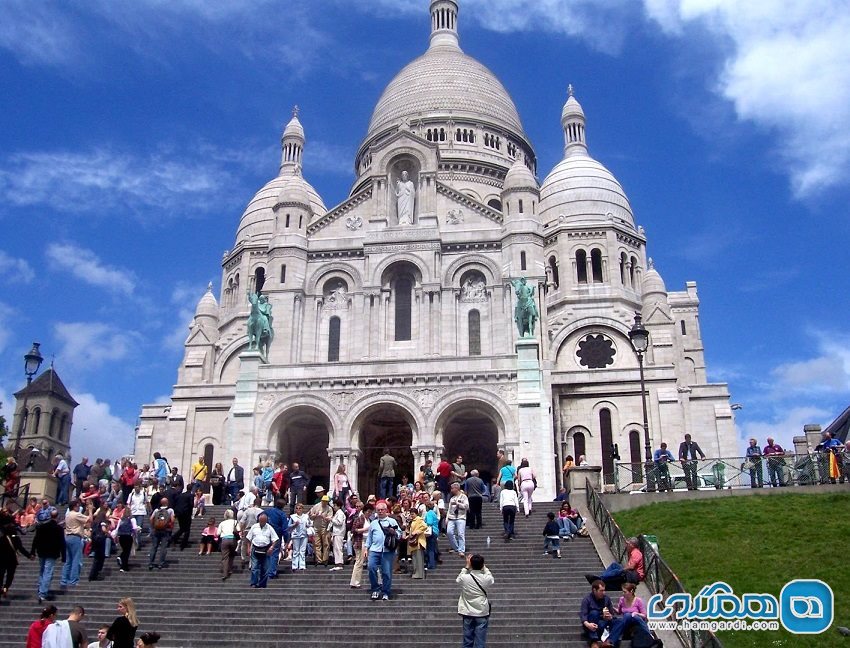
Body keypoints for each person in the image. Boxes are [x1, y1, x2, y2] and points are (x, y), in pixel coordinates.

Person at [364, 500, 400, 600]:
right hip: (374, 549)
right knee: (371, 568)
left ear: (386, 510)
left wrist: (394, 532)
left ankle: (386, 592)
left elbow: (400, 533)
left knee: (386, 572)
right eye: (378, 510)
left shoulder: (392, 521)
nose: (380, 511)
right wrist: (366, 549)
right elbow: (369, 537)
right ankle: (375, 589)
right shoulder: (374, 523)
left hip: (387, 550)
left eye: (382, 510)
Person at [457, 553, 494, 648]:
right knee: (480, 641)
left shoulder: (465, 578)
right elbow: (490, 577)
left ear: (471, 564)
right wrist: (484, 567)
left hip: (467, 611)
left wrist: (466, 566)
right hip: (481, 611)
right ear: (482, 565)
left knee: (467, 640)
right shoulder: (486, 578)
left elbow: (458, 579)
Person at [610, 582, 662, 647]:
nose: (623, 594)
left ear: (631, 591)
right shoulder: (622, 600)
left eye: (625, 592)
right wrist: (612, 607)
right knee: (627, 615)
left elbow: (644, 616)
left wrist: (636, 613)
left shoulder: (638, 601)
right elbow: (619, 612)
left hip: (636, 623)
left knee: (633, 616)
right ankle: (612, 639)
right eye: (622, 592)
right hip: (626, 623)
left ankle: (649, 634)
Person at [31, 508, 65, 602]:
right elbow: (62, 542)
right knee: (48, 572)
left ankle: (41, 588)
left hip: (41, 551)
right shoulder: (59, 528)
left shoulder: (42, 526)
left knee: (42, 570)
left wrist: (32, 551)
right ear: (57, 517)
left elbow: (36, 539)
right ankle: (43, 592)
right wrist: (64, 556)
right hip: (52, 553)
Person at [0, 513, 33, 600]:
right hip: (11, 558)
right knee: (10, 576)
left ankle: (1, 588)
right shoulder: (13, 533)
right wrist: (29, 555)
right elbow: (19, 547)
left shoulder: (2, 534)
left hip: (2, 558)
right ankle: (5, 588)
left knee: (1, 574)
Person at [60, 500, 91, 589]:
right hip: (75, 537)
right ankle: (73, 581)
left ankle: (64, 580)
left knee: (68, 561)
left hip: (68, 537)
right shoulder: (76, 514)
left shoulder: (68, 515)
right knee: (76, 560)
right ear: (74, 506)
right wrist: (90, 510)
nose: (79, 507)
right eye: (77, 506)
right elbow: (90, 519)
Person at [246, 512, 278, 588]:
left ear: (266, 521)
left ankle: (262, 584)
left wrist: (271, 547)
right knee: (254, 567)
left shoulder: (269, 527)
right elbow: (248, 538)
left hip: (266, 549)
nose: (262, 523)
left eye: (264, 521)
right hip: (255, 548)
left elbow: (275, 539)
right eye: (261, 521)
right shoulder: (254, 527)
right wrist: (248, 548)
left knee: (265, 568)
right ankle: (254, 583)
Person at [580, 580, 616, 647]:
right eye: (601, 591)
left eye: (604, 590)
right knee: (594, 613)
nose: (604, 593)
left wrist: (608, 616)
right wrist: (588, 624)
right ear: (594, 590)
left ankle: (607, 640)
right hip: (590, 625)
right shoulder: (587, 599)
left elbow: (612, 614)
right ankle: (594, 641)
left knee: (617, 621)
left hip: (602, 623)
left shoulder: (606, 599)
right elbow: (583, 615)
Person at [262, 498, 290, 580]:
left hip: (266, 535)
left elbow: (259, 516)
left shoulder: (267, 511)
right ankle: (271, 573)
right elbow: (285, 529)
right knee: (274, 554)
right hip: (276, 536)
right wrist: (286, 540)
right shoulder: (282, 515)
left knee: (266, 553)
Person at [349, 502, 372, 588]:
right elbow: (354, 530)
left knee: (373, 562)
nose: (369, 514)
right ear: (365, 511)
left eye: (371, 512)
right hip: (360, 541)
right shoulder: (359, 519)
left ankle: (378, 581)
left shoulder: (369, 520)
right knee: (359, 561)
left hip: (368, 542)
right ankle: (355, 582)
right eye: (368, 512)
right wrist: (364, 529)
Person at [148, 497, 174, 570]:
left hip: (156, 530)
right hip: (165, 530)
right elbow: (172, 520)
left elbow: (151, 519)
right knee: (163, 547)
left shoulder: (157, 510)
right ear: (167, 503)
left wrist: (153, 527)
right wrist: (170, 528)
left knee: (154, 547)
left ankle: (151, 563)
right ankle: (161, 563)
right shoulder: (170, 510)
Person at [308, 494, 333, 567]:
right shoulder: (316, 506)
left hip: (325, 528)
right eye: (324, 501)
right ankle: (319, 559)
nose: (325, 503)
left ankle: (325, 559)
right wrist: (315, 515)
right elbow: (310, 516)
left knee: (326, 544)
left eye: (326, 501)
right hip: (316, 527)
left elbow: (330, 518)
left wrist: (323, 516)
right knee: (316, 544)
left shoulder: (329, 508)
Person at [447, 482, 469, 557]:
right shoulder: (452, 498)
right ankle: (456, 547)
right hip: (452, 517)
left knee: (460, 533)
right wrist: (447, 518)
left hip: (461, 517)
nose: (451, 490)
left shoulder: (464, 497)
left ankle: (461, 550)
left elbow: (467, 506)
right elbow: (449, 509)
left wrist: (458, 504)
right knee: (449, 532)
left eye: (452, 488)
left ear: (457, 488)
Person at [288, 502, 311, 571]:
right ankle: (294, 565)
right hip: (295, 535)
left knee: (302, 550)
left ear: (302, 509)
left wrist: (307, 525)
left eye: (300, 508)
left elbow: (309, 524)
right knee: (296, 551)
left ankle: (302, 565)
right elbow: (289, 526)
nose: (298, 509)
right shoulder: (293, 516)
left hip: (304, 535)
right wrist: (294, 524)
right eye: (297, 508)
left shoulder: (306, 516)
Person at [407, 507, 428, 579]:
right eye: (411, 514)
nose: (411, 515)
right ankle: (416, 573)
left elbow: (425, 526)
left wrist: (417, 532)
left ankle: (420, 574)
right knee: (415, 558)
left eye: (413, 514)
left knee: (418, 558)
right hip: (413, 541)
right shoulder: (412, 521)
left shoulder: (419, 519)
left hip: (418, 541)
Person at [217, 509, 238, 580]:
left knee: (225, 557)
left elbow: (218, 533)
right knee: (232, 555)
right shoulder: (235, 522)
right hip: (233, 540)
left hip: (224, 540)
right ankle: (230, 568)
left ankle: (225, 573)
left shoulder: (222, 523)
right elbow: (239, 530)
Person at [329, 499, 346, 571]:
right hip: (336, 533)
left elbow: (339, 523)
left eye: (335, 505)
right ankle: (337, 563)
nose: (334, 506)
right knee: (335, 548)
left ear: (338, 506)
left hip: (339, 533)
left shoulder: (340, 513)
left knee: (338, 548)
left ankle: (339, 563)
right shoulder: (337, 513)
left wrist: (331, 519)